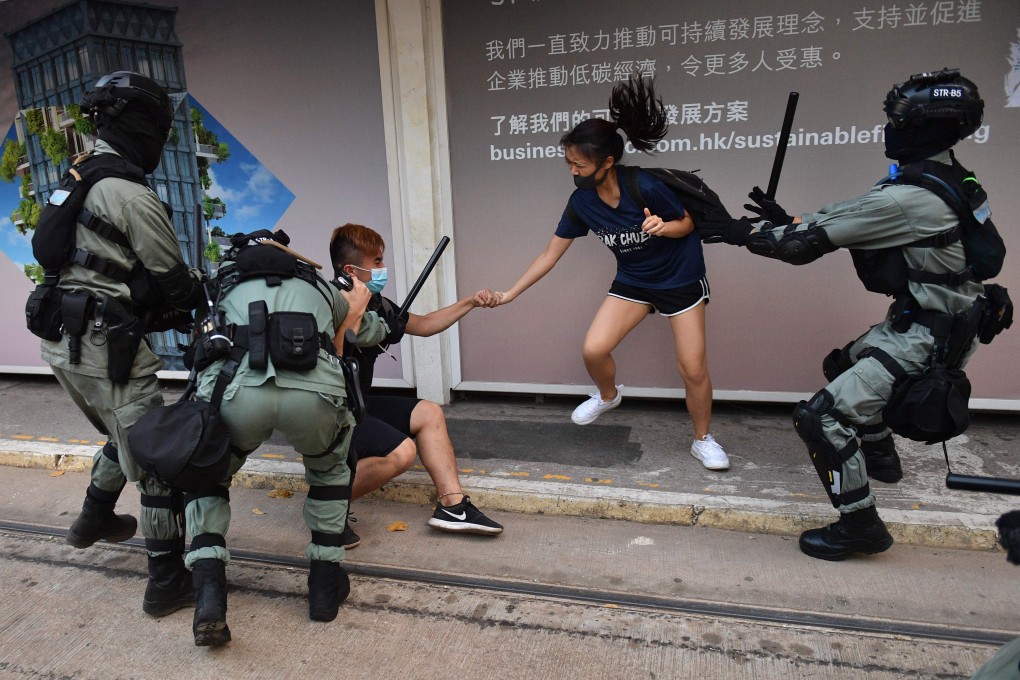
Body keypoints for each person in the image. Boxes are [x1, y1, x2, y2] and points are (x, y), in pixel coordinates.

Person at [697, 68, 995, 560]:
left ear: (926, 128)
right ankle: (881, 459)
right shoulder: (951, 178)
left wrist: (738, 231)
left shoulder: (910, 197)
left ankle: (860, 524)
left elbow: (799, 249)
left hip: (927, 334)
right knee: (843, 365)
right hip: (942, 319)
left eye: (899, 121)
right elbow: (843, 219)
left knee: (820, 417)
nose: (889, 130)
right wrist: (787, 218)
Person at [492, 75, 730, 472]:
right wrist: (510, 293)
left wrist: (663, 227)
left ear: (607, 162)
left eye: (579, 164)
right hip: (634, 281)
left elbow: (687, 224)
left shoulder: (646, 186)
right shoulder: (581, 201)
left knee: (692, 367)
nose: (572, 170)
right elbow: (551, 254)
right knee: (594, 348)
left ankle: (703, 440)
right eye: (568, 162)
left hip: (680, 280)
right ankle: (607, 395)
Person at [44, 72, 204, 616]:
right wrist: (194, 298)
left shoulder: (78, 174)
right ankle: (166, 582)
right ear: (144, 128)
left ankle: (94, 516)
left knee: (127, 429)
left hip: (64, 342)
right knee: (157, 458)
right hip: (106, 347)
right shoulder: (129, 193)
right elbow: (172, 276)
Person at [183, 230, 391, 645]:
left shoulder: (223, 286)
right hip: (314, 396)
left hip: (237, 391)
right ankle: (323, 592)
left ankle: (209, 593)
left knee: (208, 477)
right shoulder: (319, 285)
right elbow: (367, 332)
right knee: (330, 473)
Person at [329, 223, 504, 541]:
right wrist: (361, 322)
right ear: (350, 270)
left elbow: (423, 324)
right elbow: (332, 355)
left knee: (429, 412)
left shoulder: (376, 303)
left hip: (357, 403)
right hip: (327, 411)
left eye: (383, 259)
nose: (384, 268)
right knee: (401, 452)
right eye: (377, 262)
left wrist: (470, 302)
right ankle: (325, 506)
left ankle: (453, 506)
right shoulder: (329, 305)